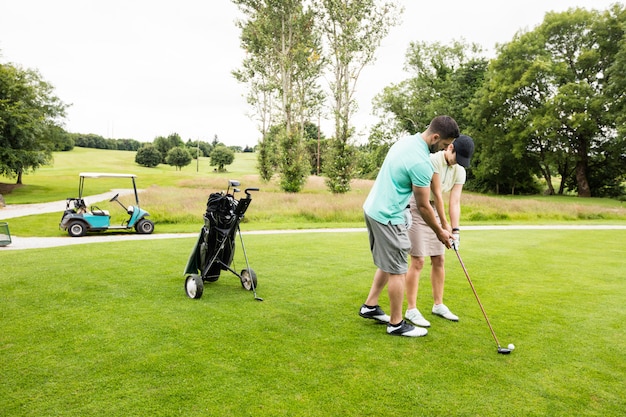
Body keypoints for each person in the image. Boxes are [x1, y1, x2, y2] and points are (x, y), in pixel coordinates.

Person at [359, 115, 459, 337]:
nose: (443, 149)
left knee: (389, 262)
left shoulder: (406, 141)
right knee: (398, 269)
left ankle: (370, 306)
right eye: (443, 144)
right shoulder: (422, 163)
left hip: (373, 208)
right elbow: (424, 207)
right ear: (435, 137)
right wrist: (441, 232)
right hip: (388, 215)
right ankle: (396, 324)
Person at [404, 135, 475, 327]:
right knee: (418, 260)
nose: (457, 164)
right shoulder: (433, 160)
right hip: (419, 208)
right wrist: (444, 225)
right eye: (456, 158)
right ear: (450, 148)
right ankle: (411, 309)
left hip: (436, 209)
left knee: (439, 258)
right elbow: (436, 194)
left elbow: (455, 201)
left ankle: (438, 305)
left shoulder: (459, 170)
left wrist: (456, 229)